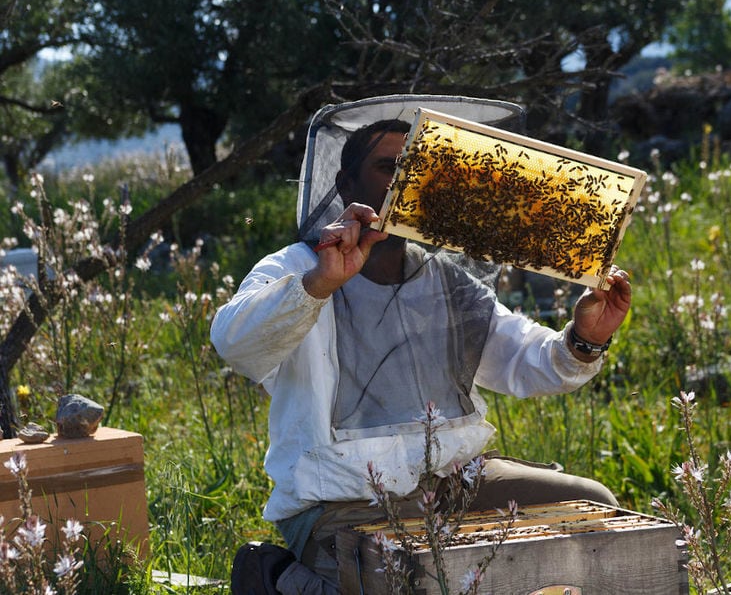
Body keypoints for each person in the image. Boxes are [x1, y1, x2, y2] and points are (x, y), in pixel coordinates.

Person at [211, 111, 632, 593]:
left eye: (416, 169)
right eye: (388, 167)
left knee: (594, 512)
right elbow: (234, 342)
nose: (403, 182)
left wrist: (585, 338)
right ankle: (279, 579)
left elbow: (527, 360)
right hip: (344, 501)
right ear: (346, 182)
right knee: (415, 582)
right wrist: (318, 284)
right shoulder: (297, 265)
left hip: (461, 484)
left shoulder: (449, 280)